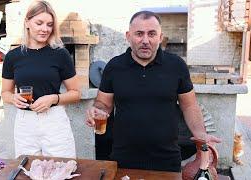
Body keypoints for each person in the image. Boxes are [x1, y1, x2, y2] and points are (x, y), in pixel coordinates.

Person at [86, 11, 221, 172]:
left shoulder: (176, 65)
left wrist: (200, 133)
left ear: (160, 37)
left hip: (167, 159)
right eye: (139, 34)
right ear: (128, 36)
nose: (145, 40)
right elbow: (103, 104)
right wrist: (97, 110)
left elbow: (190, 106)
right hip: (123, 158)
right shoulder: (114, 67)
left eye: (151, 34)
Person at [1, 0, 80, 158]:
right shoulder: (13, 57)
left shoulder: (60, 54)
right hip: (25, 124)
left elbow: (76, 93)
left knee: (61, 169)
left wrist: (53, 98)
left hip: (54, 121)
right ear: (27, 22)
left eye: (50, 25)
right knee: (27, 171)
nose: (45, 29)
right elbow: (5, 93)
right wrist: (13, 98)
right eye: (39, 23)